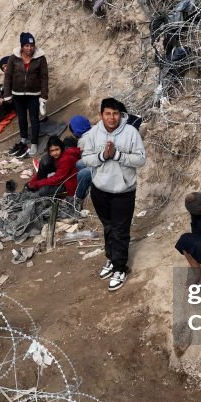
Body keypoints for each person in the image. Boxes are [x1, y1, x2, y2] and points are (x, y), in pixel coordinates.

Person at [80, 98, 146, 291]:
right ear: (101, 115)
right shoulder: (93, 133)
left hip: (123, 192)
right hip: (100, 190)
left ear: (121, 115)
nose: (111, 117)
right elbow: (86, 158)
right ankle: (111, 258)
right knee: (108, 227)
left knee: (120, 231)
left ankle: (120, 268)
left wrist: (117, 155)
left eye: (115, 113)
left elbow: (140, 160)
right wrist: (102, 156)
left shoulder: (131, 133)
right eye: (108, 113)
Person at [3, 32, 48, 159]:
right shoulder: (13, 58)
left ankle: (34, 142)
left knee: (34, 118)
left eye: (32, 45)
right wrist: (7, 94)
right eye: (27, 45)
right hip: (17, 94)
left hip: (34, 94)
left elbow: (44, 78)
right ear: (22, 46)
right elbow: (8, 77)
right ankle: (23, 138)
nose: (30, 48)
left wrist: (43, 97)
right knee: (21, 118)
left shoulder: (40, 58)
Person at [67, 114, 94, 211]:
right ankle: (88, 185)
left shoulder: (82, 141)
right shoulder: (95, 128)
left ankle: (78, 198)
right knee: (79, 164)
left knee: (83, 173)